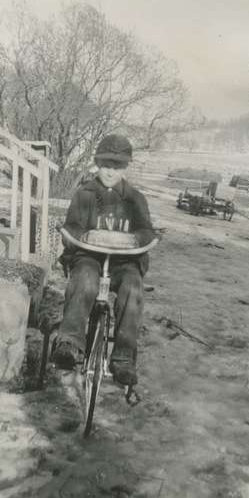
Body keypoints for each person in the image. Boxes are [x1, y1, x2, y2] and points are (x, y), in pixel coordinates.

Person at [53, 134, 155, 386]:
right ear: (97, 164)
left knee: (132, 287)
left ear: (125, 167)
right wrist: (83, 236)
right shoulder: (84, 195)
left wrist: (135, 240)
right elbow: (72, 227)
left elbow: (146, 231)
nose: (110, 172)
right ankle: (70, 343)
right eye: (106, 165)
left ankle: (123, 358)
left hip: (123, 262)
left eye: (117, 166)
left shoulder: (135, 198)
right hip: (89, 256)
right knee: (85, 279)